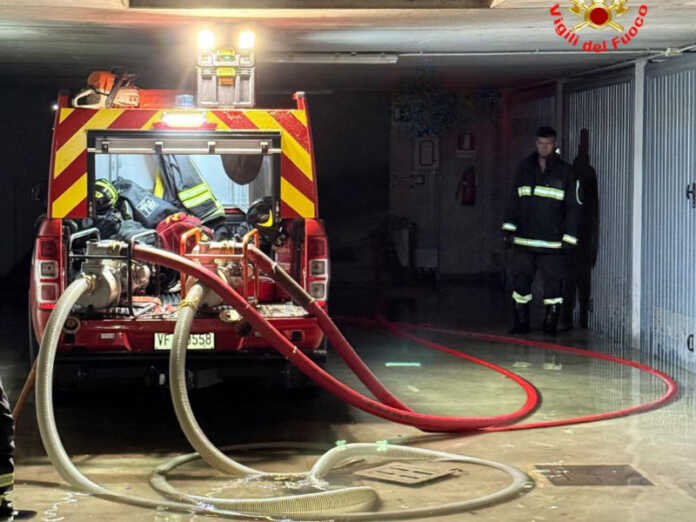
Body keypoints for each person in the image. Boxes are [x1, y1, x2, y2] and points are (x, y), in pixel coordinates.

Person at [502, 126, 581, 335]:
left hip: (552, 242)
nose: (543, 147)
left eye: (548, 144)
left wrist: (569, 238)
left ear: (555, 145)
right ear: (535, 143)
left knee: (554, 285)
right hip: (524, 240)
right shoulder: (524, 168)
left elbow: (573, 207)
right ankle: (521, 322)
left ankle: (550, 324)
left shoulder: (566, 172)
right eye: (540, 143)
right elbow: (513, 200)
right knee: (520, 283)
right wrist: (508, 228)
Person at [561, 129, 599, 330]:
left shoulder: (575, 174)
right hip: (582, 237)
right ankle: (578, 315)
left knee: (572, 280)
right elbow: (592, 211)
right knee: (580, 280)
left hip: (576, 237)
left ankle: (570, 315)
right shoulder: (587, 175)